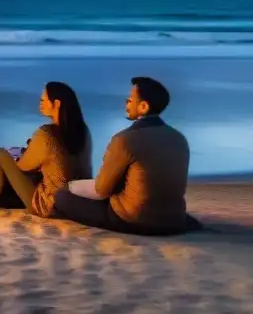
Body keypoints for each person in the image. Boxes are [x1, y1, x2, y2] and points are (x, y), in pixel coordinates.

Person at [54, 76, 195, 235]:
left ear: (143, 106)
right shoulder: (178, 138)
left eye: (130, 99)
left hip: (134, 219)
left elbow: (102, 190)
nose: (126, 103)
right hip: (174, 220)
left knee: (61, 196)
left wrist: (71, 186)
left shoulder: (125, 139)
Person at [0, 82, 93, 217]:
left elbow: (23, 166)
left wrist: (18, 155)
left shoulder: (46, 133)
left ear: (56, 104)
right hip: (80, 202)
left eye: (43, 100)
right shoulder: (83, 132)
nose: (40, 103)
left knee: (2, 154)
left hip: (52, 206)